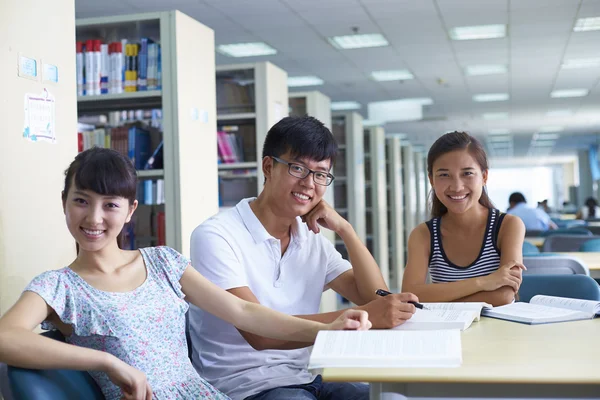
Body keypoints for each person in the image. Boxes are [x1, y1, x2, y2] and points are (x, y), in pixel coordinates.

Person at [0, 147, 371, 400]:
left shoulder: (163, 262)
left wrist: (326, 329)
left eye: (109, 205)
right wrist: (105, 362)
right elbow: (5, 337)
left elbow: (244, 313)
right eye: (80, 201)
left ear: (130, 211)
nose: (94, 218)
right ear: (64, 203)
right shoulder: (59, 286)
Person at [189, 115, 418, 400]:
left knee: (393, 399)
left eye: (321, 174)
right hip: (244, 386)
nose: (310, 183)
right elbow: (259, 334)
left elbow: (372, 296)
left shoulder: (310, 239)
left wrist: (346, 230)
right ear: (269, 167)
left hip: (308, 377)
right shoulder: (216, 235)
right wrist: (359, 317)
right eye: (299, 168)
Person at [401, 131, 526, 306]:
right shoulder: (424, 234)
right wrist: (483, 282)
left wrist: (436, 296)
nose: (457, 187)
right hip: (446, 330)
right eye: (444, 175)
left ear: (484, 177)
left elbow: (503, 296)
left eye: (467, 173)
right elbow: (411, 294)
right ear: (431, 180)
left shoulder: (508, 225)